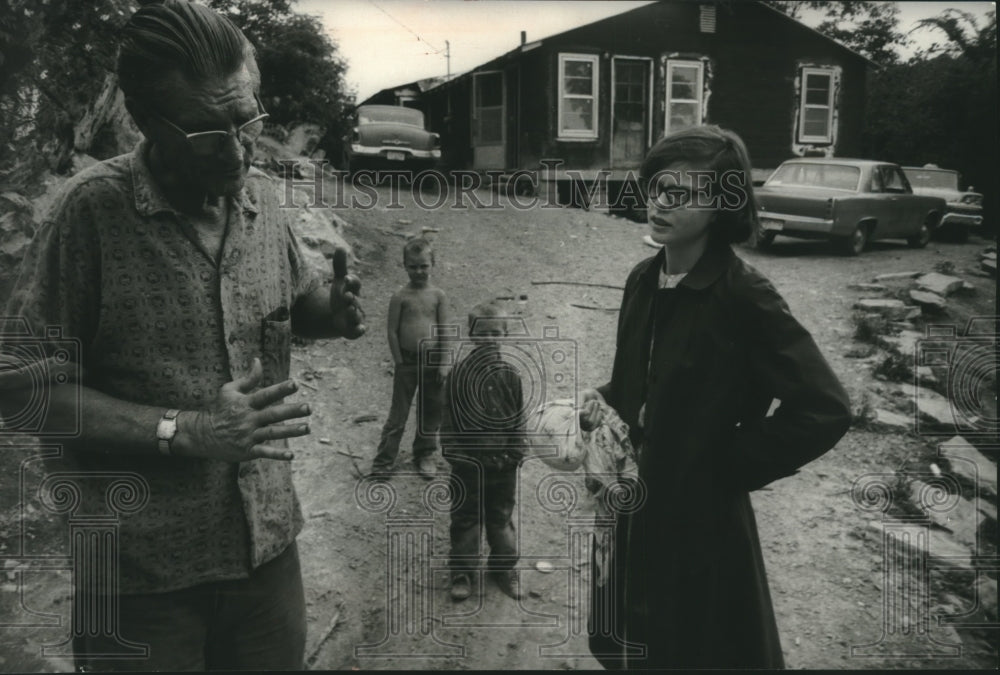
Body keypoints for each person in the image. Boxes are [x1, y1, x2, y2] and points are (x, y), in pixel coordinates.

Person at [0, 1, 365, 670]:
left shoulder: (263, 201)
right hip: (141, 576)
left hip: (266, 553)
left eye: (245, 120)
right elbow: (24, 394)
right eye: (205, 131)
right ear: (144, 121)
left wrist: (329, 314)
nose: (237, 150)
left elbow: (291, 303)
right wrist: (186, 429)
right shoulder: (89, 215)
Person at [579, 125, 851, 670]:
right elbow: (646, 382)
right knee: (630, 644)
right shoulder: (642, 278)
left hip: (702, 526)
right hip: (633, 509)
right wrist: (601, 402)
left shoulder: (743, 294)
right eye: (657, 187)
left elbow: (825, 409)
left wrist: (722, 465)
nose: (660, 204)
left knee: (697, 651)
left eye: (681, 194)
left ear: (721, 205)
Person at [441, 302, 527, 602]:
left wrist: (515, 453)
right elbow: (449, 426)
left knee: (500, 518)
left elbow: (518, 421)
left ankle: (503, 568)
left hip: (503, 468)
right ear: (472, 335)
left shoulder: (511, 376)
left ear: (505, 335)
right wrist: (459, 457)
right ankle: (463, 572)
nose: (490, 339)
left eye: (497, 334)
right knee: (465, 519)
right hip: (468, 468)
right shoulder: (458, 376)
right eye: (484, 333)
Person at [371, 236, 447, 479]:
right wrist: (399, 361)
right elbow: (392, 331)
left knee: (431, 411)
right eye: (413, 266)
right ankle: (384, 461)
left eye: (424, 266)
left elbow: (444, 330)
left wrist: (444, 361)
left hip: (432, 361)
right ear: (404, 266)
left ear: (433, 264)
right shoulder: (400, 297)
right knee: (398, 414)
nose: (418, 271)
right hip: (407, 361)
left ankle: (424, 453)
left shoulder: (438, 296)